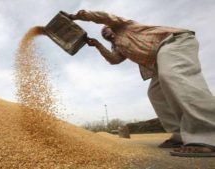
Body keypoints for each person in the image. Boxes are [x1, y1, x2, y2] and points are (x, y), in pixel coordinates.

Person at [66, 10, 215, 157]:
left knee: (174, 76)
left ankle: (207, 135)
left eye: (106, 29)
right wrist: (98, 45)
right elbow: (114, 60)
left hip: (173, 42)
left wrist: (76, 16)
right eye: (103, 35)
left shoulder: (124, 26)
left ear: (112, 26)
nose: (105, 33)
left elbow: (103, 17)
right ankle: (180, 135)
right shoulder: (120, 47)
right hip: (159, 59)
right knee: (155, 93)